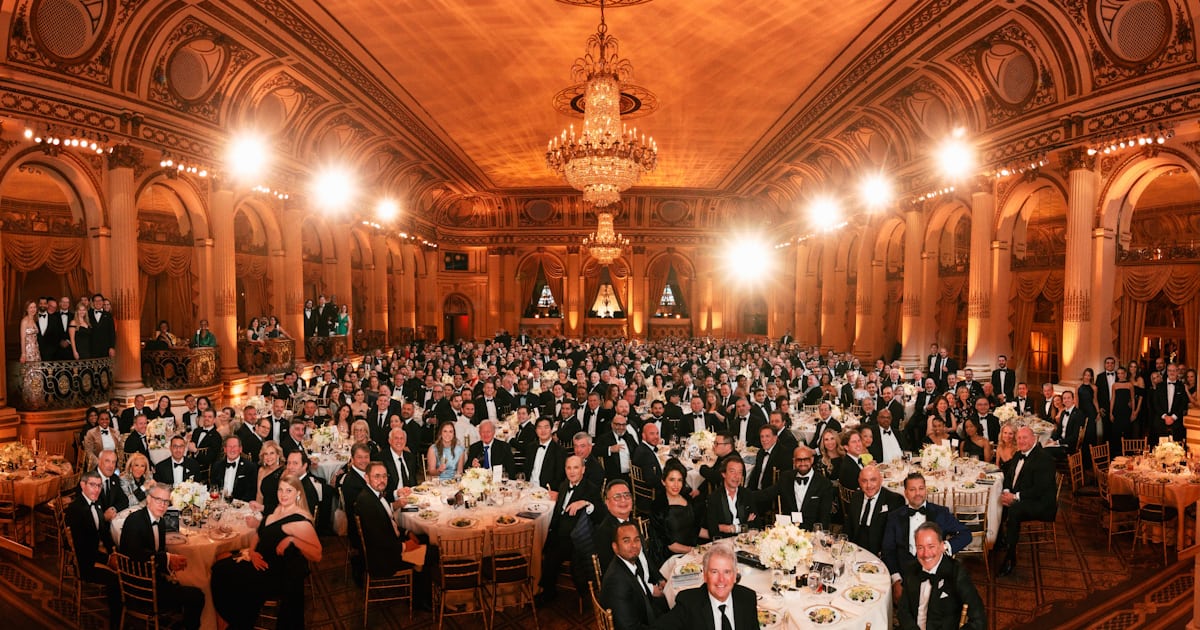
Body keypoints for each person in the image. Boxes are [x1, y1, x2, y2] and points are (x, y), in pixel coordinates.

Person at [211, 474, 322, 629]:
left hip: (272, 572)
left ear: (298, 493)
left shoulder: (300, 520)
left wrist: (293, 540)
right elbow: (259, 533)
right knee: (219, 567)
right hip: (258, 560)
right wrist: (252, 552)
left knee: (221, 571)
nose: (283, 494)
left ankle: (237, 622)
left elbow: (317, 554)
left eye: (288, 490)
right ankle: (234, 621)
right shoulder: (278, 509)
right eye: (280, 490)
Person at [119, 483, 205, 630]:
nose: (163, 505)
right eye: (158, 500)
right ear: (148, 499)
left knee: (193, 579)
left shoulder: (160, 521)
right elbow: (135, 554)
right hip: (139, 589)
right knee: (197, 596)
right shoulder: (134, 521)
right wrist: (167, 558)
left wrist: (168, 563)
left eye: (166, 501)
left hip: (153, 578)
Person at [881, 472, 972, 599]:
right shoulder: (894, 517)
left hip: (936, 575)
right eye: (912, 489)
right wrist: (896, 580)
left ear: (926, 490)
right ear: (905, 492)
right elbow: (888, 551)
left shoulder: (941, 513)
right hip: (905, 576)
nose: (917, 493)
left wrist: (944, 546)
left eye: (921, 488)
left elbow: (966, 534)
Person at [537, 455, 602, 606]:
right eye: (569, 468)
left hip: (575, 539)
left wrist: (586, 503)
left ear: (583, 470)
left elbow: (600, 515)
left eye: (576, 468)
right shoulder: (564, 484)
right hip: (559, 531)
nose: (572, 472)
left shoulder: (590, 488)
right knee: (537, 542)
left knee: (552, 554)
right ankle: (538, 586)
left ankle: (548, 593)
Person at [897, 522, 986, 630]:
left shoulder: (957, 573)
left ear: (942, 545)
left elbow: (979, 620)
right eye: (920, 547)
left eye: (931, 546)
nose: (926, 554)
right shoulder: (911, 569)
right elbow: (903, 610)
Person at [998, 426, 1057, 577]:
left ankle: (1010, 557)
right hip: (1024, 497)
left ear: (1034, 439)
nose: (1021, 441)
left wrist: (1015, 497)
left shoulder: (1044, 459)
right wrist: (1006, 492)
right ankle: (999, 540)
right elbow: (1008, 476)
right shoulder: (1019, 454)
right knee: (999, 502)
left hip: (1042, 504)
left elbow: (1040, 489)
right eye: (1019, 438)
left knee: (1014, 510)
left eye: (1025, 438)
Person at [65, 470, 123, 626]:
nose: (96, 489)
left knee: (124, 556)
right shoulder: (76, 510)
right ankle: (116, 623)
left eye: (99, 486)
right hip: (85, 564)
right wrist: (108, 559)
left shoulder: (95, 503)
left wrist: (113, 552)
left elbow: (104, 532)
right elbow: (82, 550)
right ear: (82, 485)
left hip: (96, 552)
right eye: (92, 485)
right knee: (116, 580)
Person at [656, 545, 759, 629]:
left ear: (735, 576)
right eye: (714, 572)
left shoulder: (748, 599)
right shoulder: (688, 604)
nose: (721, 579)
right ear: (705, 576)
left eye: (727, 572)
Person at [599, 521, 666, 629]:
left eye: (637, 540)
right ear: (615, 547)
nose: (634, 545)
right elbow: (629, 627)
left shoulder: (631, 562)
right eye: (626, 541)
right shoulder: (616, 581)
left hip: (646, 614)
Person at [844, 464, 904, 555]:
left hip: (878, 550)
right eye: (864, 481)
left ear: (881, 480)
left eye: (873, 480)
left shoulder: (894, 500)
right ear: (859, 482)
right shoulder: (856, 496)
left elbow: (895, 535)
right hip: (855, 548)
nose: (869, 485)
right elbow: (848, 525)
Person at [705, 456, 759, 539]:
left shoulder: (747, 494)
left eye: (739, 472)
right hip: (724, 542)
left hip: (745, 540)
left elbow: (756, 525)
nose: (736, 476)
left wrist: (730, 528)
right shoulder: (714, 498)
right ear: (724, 474)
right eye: (732, 471)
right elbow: (713, 530)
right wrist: (745, 524)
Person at [210, 435, 259, 502]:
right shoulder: (217, 466)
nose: (232, 449)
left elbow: (251, 492)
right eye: (229, 446)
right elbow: (213, 488)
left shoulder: (250, 467)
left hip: (240, 505)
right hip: (219, 503)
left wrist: (237, 504)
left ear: (240, 449)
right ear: (225, 449)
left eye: (235, 446)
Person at [525, 416, 567, 491]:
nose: (543, 431)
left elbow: (560, 477)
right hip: (529, 488)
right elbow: (526, 470)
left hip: (547, 491)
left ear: (551, 429)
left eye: (546, 427)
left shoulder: (560, 451)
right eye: (539, 427)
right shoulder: (530, 447)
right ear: (536, 430)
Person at [1152, 363, 1189, 444]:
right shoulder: (1159, 386)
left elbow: (1183, 404)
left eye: (1174, 371)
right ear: (1167, 372)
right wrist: (1165, 416)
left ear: (1177, 372)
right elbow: (1155, 403)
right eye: (1169, 370)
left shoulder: (1181, 387)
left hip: (1176, 423)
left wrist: (1173, 417)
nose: (1171, 373)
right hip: (1160, 422)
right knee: (1160, 447)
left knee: (1176, 446)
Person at [1109, 366, 1135, 452]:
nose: (1120, 375)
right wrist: (1111, 413)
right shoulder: (1114, 385)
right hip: (1117, 411)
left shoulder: (1130, 385)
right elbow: (1112, 399)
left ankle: (1128, 453)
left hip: (1127, 411)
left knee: (1127, 432)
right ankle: (1116, 453)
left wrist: (1133, 412)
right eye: (1118, 373)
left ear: (1125, 374)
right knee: (1116, 433)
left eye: (1122, 373)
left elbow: (1133, 399)